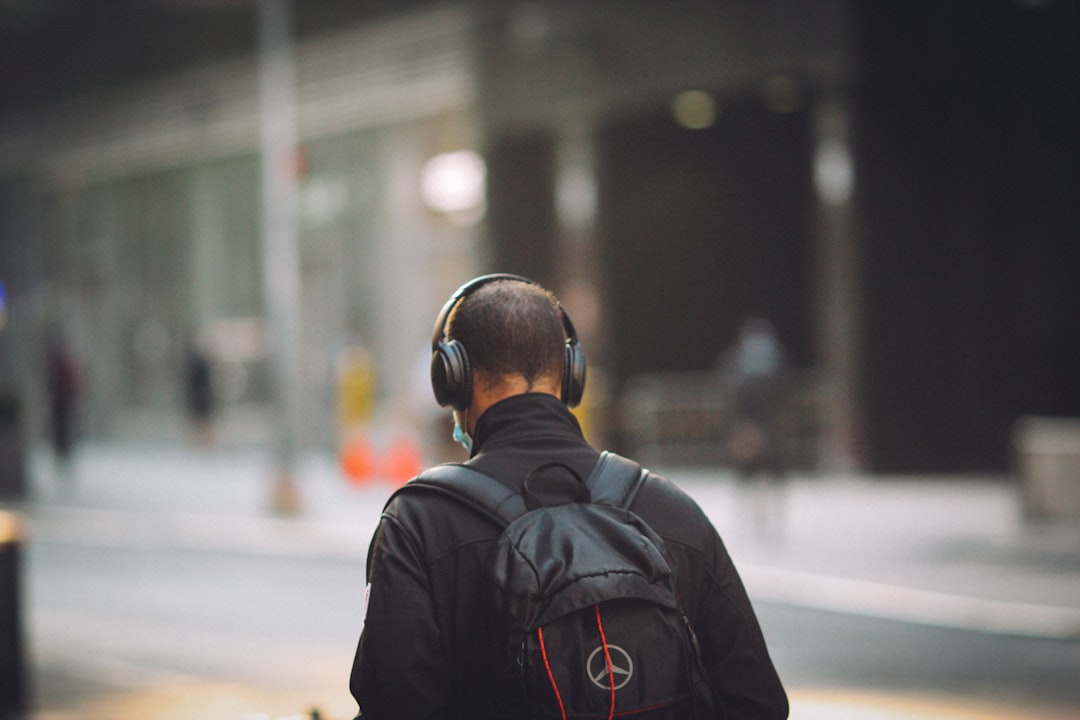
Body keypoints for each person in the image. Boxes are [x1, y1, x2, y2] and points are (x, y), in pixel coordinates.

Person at [349, 274, 788, 719]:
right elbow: (759, 704)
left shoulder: (421, 524)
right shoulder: (669, 511)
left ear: (453, 376)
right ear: (571, 373)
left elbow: (392, 706)